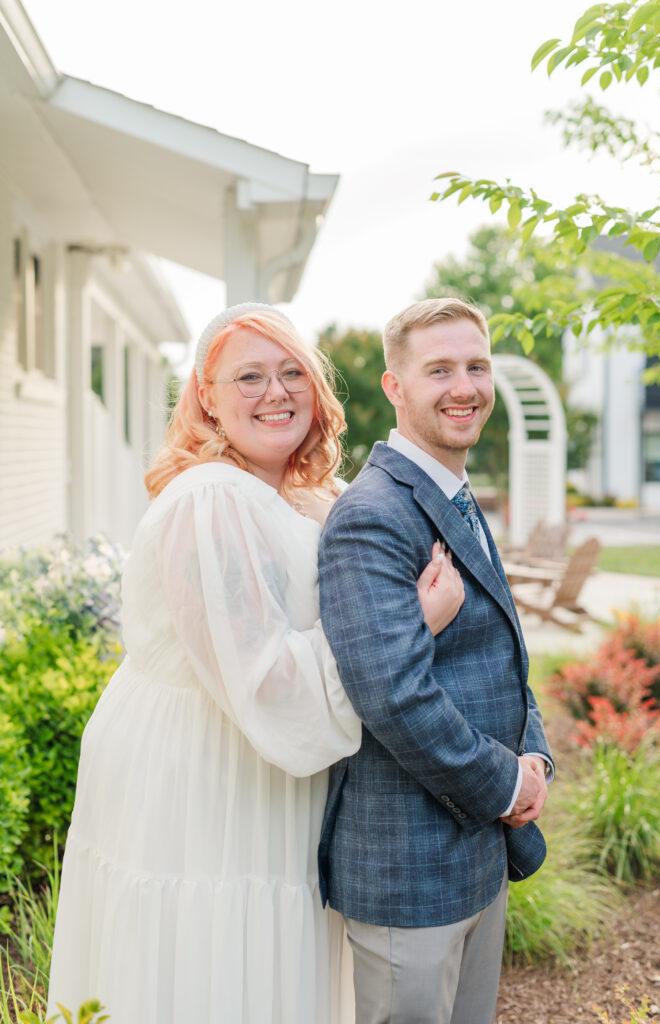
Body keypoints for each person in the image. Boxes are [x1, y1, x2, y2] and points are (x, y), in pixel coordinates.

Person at [47, 302, 463, 1024]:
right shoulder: (211, 498)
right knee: (209, 961)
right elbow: (267, 681)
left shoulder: (299, 496)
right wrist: (410, 625)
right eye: (249, 377)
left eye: (291, 372)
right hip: (208, 776)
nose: (276, 393)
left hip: (263, 769)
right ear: (205, 395)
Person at [318, 297, 554, 1024]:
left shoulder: (452, 491)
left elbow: (502, 648)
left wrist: (535, 755)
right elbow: (392, 696)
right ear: (395, 387)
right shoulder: (371, 515)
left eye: (476, 366)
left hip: (477, 856)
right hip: (408, 875)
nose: (465, 387)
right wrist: (504, 782)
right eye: (439, 370)